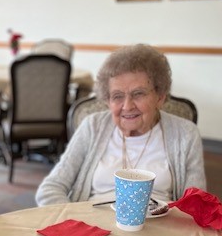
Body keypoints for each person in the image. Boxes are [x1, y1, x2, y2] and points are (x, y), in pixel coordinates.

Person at [35, 44, 206, 206]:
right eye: (117, 96)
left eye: (138, 94)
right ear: (108, 100)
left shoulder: (185, 134)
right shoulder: (92, 127)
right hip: (93, 228)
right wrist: (75, 224)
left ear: (160, 97)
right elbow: (50, 189)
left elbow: (196, 204)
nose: (127, 106)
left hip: (159, 230)